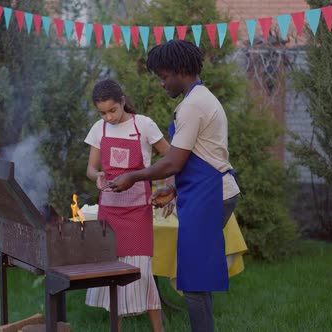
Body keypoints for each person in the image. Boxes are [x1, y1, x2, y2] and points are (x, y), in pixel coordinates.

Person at [107, 40, 241, 332]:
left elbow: (173, 162)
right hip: (204, 192)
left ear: (181, 70)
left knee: (194, 282)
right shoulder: (198, 100)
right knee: (197, 281)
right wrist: (175, 189)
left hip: (211, 195)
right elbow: (202, 155)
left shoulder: (193, 105)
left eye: (164, 76)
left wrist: (133, 176)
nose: (161, 83)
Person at [84, 79, 169, 332]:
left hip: (138, 210)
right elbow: (90, 168)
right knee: (112, 272)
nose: (108, 117)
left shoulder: (143, 125)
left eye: (112, 110)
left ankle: (159, 330)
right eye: (102, 112)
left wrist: (168, 185)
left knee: (143, 271)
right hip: (109, 210)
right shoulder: (98, 129)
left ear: (122, 101)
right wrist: (96, 176)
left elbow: (171, 158)